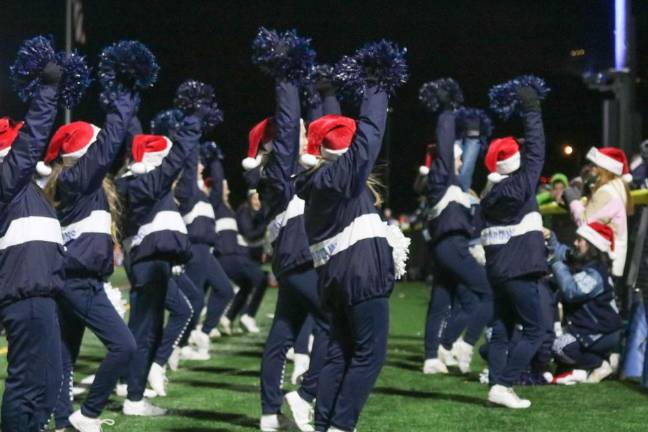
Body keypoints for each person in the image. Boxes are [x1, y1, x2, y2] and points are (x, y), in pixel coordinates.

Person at [296, 79, 406, 431]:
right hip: (360, 276)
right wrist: (377, 84)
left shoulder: (322, 178)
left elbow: (334, 131)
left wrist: (327, 96)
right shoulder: (338, 177)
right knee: (368, 356)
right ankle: (341, 425)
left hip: (336, 280)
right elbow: (368, 135)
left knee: (339, 353)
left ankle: (326, 424)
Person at [42, 91, 139, 431]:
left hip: (75, 278)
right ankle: (88, 414)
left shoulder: (79, 182)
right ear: (83, 154)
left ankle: (62, 422)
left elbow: (111, 149)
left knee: (66, 353)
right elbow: (109, 144)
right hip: (78, 281)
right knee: (124, 346)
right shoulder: (76, 178)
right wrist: (123, 101)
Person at [244, 76, 333, 431]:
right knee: (334, 322)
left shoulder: (284, 171)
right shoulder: (280, 169)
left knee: (282, 334)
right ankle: (306, 394)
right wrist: (287, 79)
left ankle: (269, 414)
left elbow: (327, 134)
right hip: (299, 257)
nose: (303, 136)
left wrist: (321, 97)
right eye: (296, 132)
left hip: (291, 260)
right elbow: (288, 122)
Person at [116, 112, 201, 416]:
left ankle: (132, 387)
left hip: (150, 260)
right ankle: (131, 394)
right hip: (148, 262)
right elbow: (175, 160)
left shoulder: (136, 181)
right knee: (144, 330)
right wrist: (193, 123)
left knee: (147, 327)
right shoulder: (140, 182)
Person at [0, 63, 65, 432]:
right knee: (26, 383)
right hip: (24, 294)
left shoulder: (23, 188)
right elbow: (33, 138)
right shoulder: (6, 179)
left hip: (41, 292)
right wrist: (48, 90)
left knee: (49, 381)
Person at [480, 84, 548, 409]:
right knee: (536, 329)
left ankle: (497, 385)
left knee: (502, 328)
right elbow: (536, 151)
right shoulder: (521, 185)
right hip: (520, 268)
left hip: (498, 270)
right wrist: (531, 110)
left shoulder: (490, 196)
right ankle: (505, 384)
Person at [422, 105, 492, 375]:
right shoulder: (441, 180)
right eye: (458, 159)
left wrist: (472, 137)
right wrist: (447, 112)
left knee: (441, 302)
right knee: (488, 292)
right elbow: (446, 149)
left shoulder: (452, 186)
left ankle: (432, 356)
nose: (462, 164)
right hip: (452, 245)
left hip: (446, 248)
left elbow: (465, 168)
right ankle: (463, 343)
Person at [547, 222, 623, 384]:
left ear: (592, 245)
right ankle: (601, 360)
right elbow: (565, 253)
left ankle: (599, 364)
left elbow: (571, 290)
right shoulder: (590, 265)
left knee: (559, 346)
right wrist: (550, 237)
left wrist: (555, 263)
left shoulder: (595, 273)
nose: (575, 243)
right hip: (596, 331)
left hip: (601, 333)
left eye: (580, 240)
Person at [565, 146, 634, 278]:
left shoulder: (606, 192)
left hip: (603, 264)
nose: (591, 169)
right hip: (609, 261)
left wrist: (573, 200)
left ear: (605, 170)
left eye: (594, 165)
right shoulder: (615, 189)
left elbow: (585, 224)